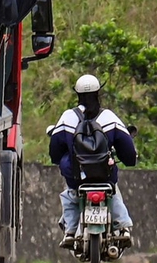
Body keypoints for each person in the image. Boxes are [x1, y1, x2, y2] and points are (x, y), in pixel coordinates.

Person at [49, 73, 136, 249]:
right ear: (98, 93)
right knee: (113, 191)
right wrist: (130, 160)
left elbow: (55, 151)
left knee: (71, 193)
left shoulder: (67, 118)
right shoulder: (109, 118)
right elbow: (127, 148)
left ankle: (70, 232)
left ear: (77, 94)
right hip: (105, 175)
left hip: (76, 176)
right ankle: (124, 228)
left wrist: (62, 160)